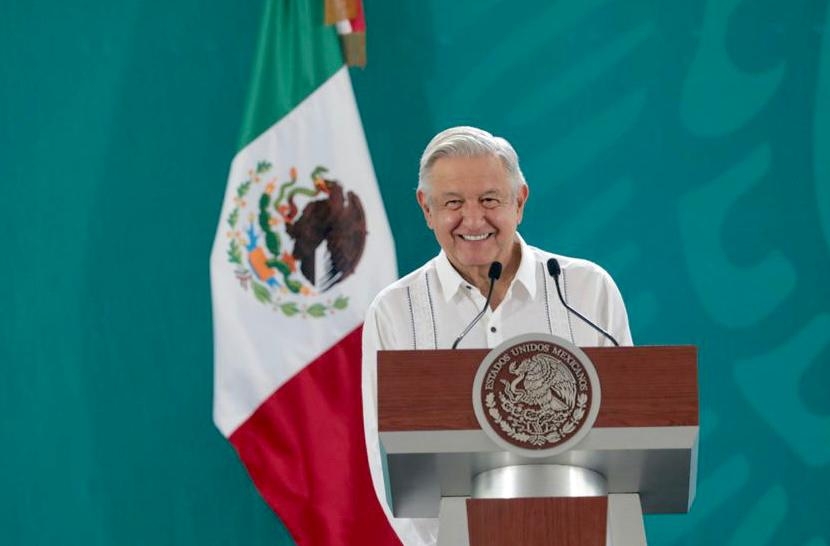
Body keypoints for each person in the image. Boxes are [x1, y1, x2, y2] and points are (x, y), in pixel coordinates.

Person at [361, 126, 632, 545]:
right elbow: (391, 471)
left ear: (520, 201)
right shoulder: (396, 313)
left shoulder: (586, 292)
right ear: (426, 209)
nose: (473, 220)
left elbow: (630, 437)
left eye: (490, 200)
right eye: (453, 203)